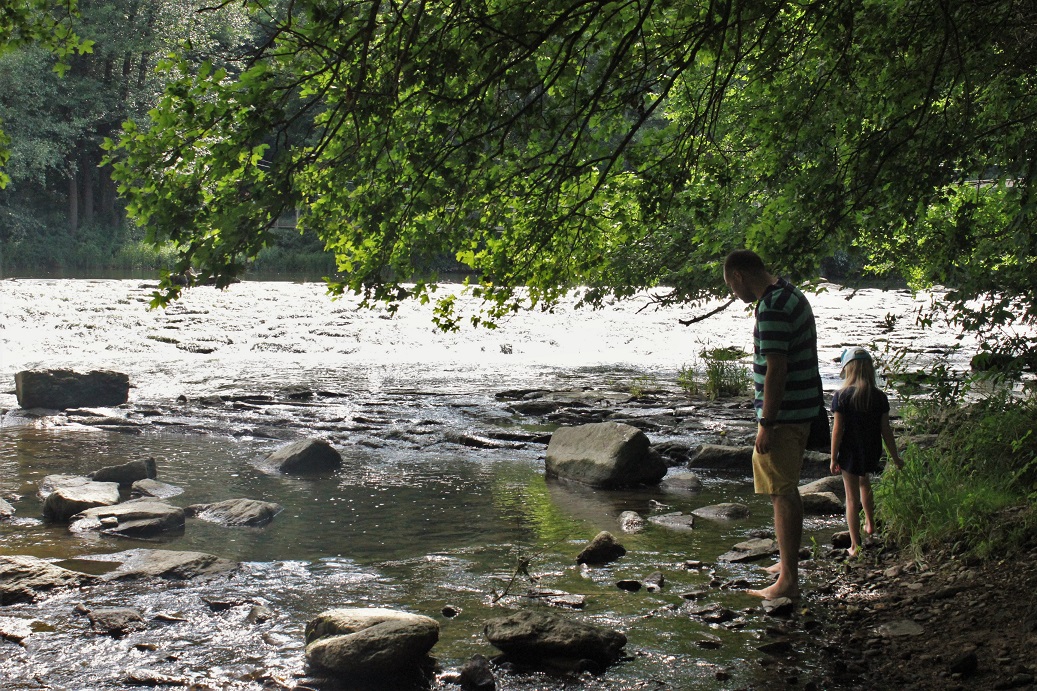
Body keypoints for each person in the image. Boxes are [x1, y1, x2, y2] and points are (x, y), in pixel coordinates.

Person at [723, 249, 821, 600]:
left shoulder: (772, 306)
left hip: (785, 416)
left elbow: (777, 368)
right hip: (801, 409)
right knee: (786, 488)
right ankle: (786, 563)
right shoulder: (790, 292)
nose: (736, 295)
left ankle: (788, 582)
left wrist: (766, 421)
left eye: (732, 287)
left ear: (738, 276)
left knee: (782, 492)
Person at [830, 347, 904, 556]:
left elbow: (837, 430)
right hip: (872, 449)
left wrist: (833, 456)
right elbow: (886, 430)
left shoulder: (842, 396)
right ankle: (870, 523)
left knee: (851, 498)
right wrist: (895, 456)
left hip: (850, 451)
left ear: (848, 370)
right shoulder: (879, 397)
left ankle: (855, 545)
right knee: (865, 481)